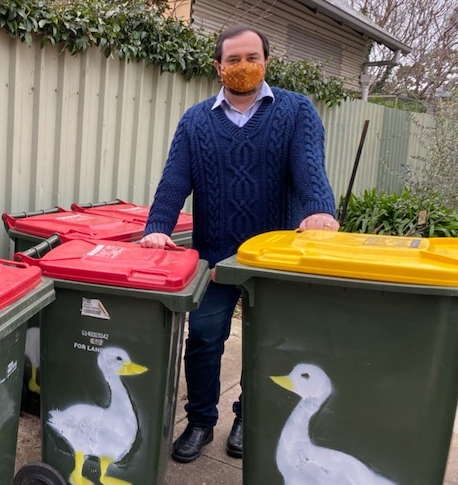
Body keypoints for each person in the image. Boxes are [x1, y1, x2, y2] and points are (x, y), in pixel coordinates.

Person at [140, 24, 339, 463]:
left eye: (252, 57)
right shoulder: (195, 121)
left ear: (266, 61)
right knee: (205, 337)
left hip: (274, 259)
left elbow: (310, 172)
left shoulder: (296, 110)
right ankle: (200, 421)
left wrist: (320, 209)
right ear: (218, 67)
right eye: (234, 59)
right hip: (216, 255)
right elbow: (174, 183)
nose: (244, 66)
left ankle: (249, 415)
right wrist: (157, 226)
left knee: (267, 342)